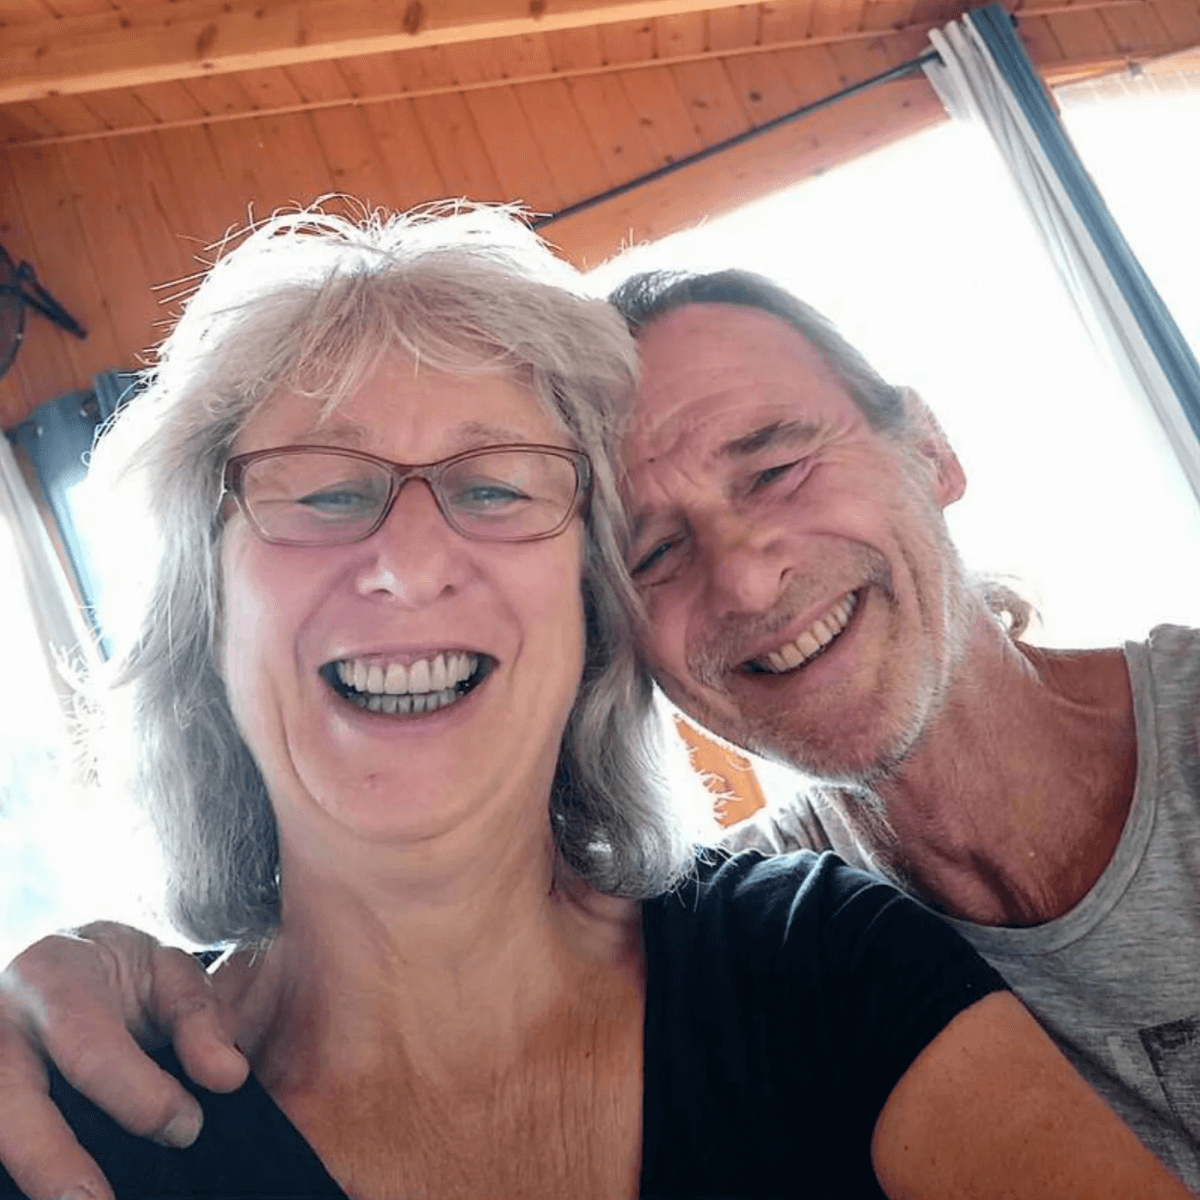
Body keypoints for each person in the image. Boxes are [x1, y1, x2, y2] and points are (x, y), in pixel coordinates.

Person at [0, 222, 1192, 1200]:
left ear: (585, 628)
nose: (408, 563)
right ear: (201, 617)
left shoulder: (809, 957)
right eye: (322, 491)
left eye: (492, 488)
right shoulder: (67, 1109)